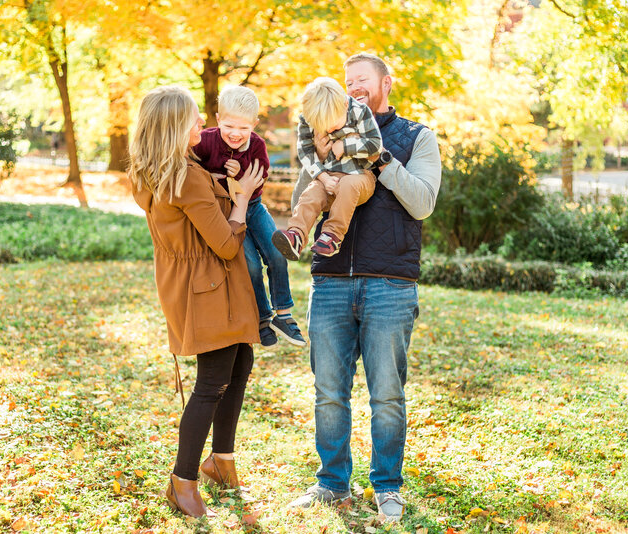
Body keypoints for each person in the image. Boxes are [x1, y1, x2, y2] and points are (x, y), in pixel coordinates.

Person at [288, 54, 442, 524]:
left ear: (385, 83)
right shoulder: (323, 130)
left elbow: (423, 204)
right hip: (330, 281)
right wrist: (323, 170)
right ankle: (332, 484)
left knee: (387, 395)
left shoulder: (417, 138)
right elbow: (302, 201)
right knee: (329, 392)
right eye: (348, 80)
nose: (353, 87)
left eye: (362, 80)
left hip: (389, 283)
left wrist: (381, 161)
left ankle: (388, 487)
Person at [130, 86, 264, 518]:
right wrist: (241, 199)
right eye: (193, 117)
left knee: (240, 363)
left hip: (199, 281)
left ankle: (220, 460)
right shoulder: (185, 176)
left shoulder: (163, 170)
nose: (201, 121)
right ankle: (182, 479)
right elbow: (226, 245)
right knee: (212, 381)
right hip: (207, 284)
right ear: (173, 126)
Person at [194, 85, 306, 348]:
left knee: (276, 254)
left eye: (244, 128)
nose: (236, 134)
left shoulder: (257, 145)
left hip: (254, 206)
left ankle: (284, 313)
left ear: (254, 124)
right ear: (218, 119)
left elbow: (260, 175)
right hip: (228, 213)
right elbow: (191, 169)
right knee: (251, 266)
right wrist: (210, 177)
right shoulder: (206, 140)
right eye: (229, 126)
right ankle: (263, 317)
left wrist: (240, 169)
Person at [272, 77, 381, 259]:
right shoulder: (309, 117)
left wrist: (345, 146)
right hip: (328, 177)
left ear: (345, 104)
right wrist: (323, 178)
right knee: (311, 193)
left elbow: (375, 144)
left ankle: (332, 236)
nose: (329, 130)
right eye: (323, 126)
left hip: (360, 176)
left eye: (333, 124)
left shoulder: (359, 112)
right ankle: (296, 235)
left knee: (349, 185)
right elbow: (305, 152)